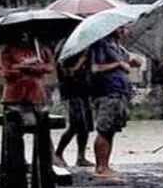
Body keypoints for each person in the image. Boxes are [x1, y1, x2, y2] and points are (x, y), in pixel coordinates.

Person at [89, 26, 141, 178]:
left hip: (119, 92)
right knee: (104, 129)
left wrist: (130, 63)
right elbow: (95, 68)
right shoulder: (101, 45)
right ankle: (100, 166)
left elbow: (125, 64)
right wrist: (118, 64)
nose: (124, 31)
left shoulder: (119, 48)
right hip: (107, 92)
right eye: (121, 28)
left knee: (111, 130)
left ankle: (105, 164)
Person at [0, 32, 54, 128]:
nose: (24, 37)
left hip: (36, 94)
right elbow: (5, 71)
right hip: (15, 95)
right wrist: (23, 66)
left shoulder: (40, 50)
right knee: (14, 127)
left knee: (40, 125)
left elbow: (49, 67)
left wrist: (36, 67)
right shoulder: (8, 50)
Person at [53, 40, 94, 168]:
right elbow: (67, 72)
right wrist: (80, 62)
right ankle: (58, 153)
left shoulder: (85, 47)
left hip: (84, 89)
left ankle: (81, 156)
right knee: (76, 124)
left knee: (86, 125)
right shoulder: (66, 48)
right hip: (72, 91)